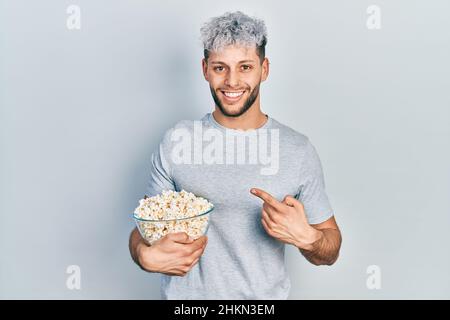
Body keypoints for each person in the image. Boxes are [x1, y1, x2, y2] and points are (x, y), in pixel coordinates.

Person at [129, 11, 342, 299]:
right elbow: (143, 231)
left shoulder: (297, 150)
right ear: (205, 69)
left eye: (245, 67)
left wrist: (309, 238)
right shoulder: (176, 142)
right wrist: (144, 255)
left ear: (264, 69)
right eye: (220, 68)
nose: (232, 81)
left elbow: (330, 248)